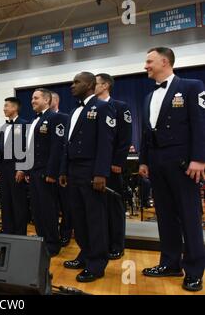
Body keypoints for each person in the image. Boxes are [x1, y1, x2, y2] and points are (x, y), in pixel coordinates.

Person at [139, 47, 205, 292]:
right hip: (156, 164)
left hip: (183, 164)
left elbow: (200, 123)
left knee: (189, 217)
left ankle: (195, 270)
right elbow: (146, 133)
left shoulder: (191, 86)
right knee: (165, 217)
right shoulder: (148, 97)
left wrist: (199, 159)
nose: (146, 66)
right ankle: (170, 263)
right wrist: (144, 161)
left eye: (149, 61)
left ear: (164, 61)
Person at [59, 72, 116, 283]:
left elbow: (105, 142)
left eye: (77, 82)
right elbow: (67, 145)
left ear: (90, 85)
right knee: (79, 218)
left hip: (91, 171)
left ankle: (97, 264)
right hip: (73, 171)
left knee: (95, 219)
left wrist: (101, 173)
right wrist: (63, 170)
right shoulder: (74, 111)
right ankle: (85, 253)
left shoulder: (102, 107)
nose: (72, 85)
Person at [95, 73, 133, 260]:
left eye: (95, 83)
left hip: (112, 166)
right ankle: (102, 243)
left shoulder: (120, 107)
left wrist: (118, 161)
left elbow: (125, 138)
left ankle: (117, 244)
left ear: (105, 85)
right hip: (93, 167)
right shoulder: (90, 108)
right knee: (98, 208)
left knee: (114, 207)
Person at [26, 88, 66, 256]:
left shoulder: (55, 118)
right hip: (34, 172)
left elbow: (57, 148)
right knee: (37, 210)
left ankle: (52, 244)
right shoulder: (36, 120)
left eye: (36, 98)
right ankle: (42, 240)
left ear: (47, 100)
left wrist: (52, 172)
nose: (32, 101)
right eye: (32, 98)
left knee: (48, 210)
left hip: (46, 173)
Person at [0, 97, 28, 235]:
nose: (4, 108)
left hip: (16, 168)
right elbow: (0, 149)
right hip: (4, 169)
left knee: (18, 202)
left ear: (14, 108)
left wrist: (22, 168)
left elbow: (27, 148)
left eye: (6, 106)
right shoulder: (3, 127)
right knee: (6, 201)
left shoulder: (25, 124)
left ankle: (20, 232)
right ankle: (8, 230)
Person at [51, 91, 72, 247]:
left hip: (61, 168)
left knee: (65, 204)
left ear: (55, 101)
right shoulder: (38, 120)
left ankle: (65, 233)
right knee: (50, 205)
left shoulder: (65, 118)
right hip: (46, 171)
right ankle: (51, 233)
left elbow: (65, 145)